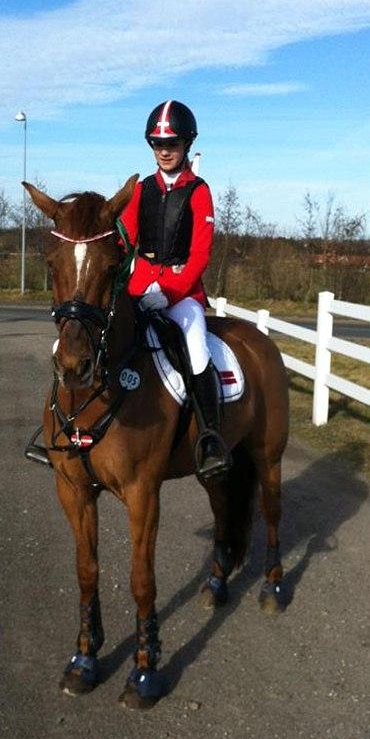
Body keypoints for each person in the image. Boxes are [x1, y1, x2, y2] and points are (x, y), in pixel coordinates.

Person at [119, 99, 231, 481]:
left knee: (197, 348)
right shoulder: (139, 190)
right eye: (157, 144)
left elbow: (200, 254)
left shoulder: (199, 191)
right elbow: (124, 242)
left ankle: (211, 439)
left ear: (186, 145)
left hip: (182, 296)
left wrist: (167, 293)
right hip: (139, 286)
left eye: (172, 144)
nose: (164, 150)